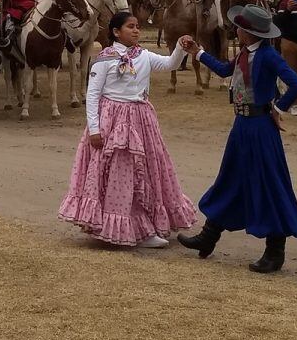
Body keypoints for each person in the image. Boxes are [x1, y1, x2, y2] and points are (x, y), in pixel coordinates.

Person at [178, 5, 297, 274]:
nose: (235, 30)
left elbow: (296, 84)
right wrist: (197, 52)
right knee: (231, 178)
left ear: (249, 32)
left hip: (260, 128)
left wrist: (278, 108)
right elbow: (224, 71)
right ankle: (209, 236)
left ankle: (275, 250)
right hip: (241, 126)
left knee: (268, 183)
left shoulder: (269, 56)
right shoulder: (244, 54)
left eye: (239, 27)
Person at [59, 12, 198, 248]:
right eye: (130, 27)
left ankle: (143, 226)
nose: (136, 31)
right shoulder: (104, 59)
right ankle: (118, 225)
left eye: (137, 27)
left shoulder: (143, 55)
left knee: (144, 171)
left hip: (141, 120)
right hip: (113, 122)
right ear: (116, 32)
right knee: (118, 173)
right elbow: (93, 95)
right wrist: (94, 128)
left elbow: (169, 64)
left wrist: (181, 48)